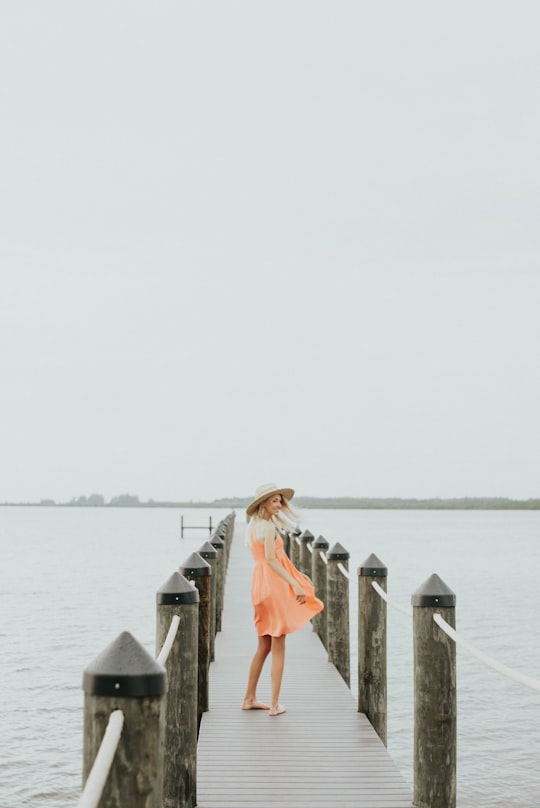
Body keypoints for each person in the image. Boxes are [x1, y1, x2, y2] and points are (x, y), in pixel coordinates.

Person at [241, 483, 324, 716]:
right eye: (274, 501)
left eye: (280, 501)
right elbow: (272, 560)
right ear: (263, 504)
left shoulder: (255, 526)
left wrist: (298, 575)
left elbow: (275, 559)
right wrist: (294, 584)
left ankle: (249, 698)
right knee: (278, 646)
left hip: (260, 586)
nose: (279, 505)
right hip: (272, 586)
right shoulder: (266, 527)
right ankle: (275, 705)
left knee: (264, 645)